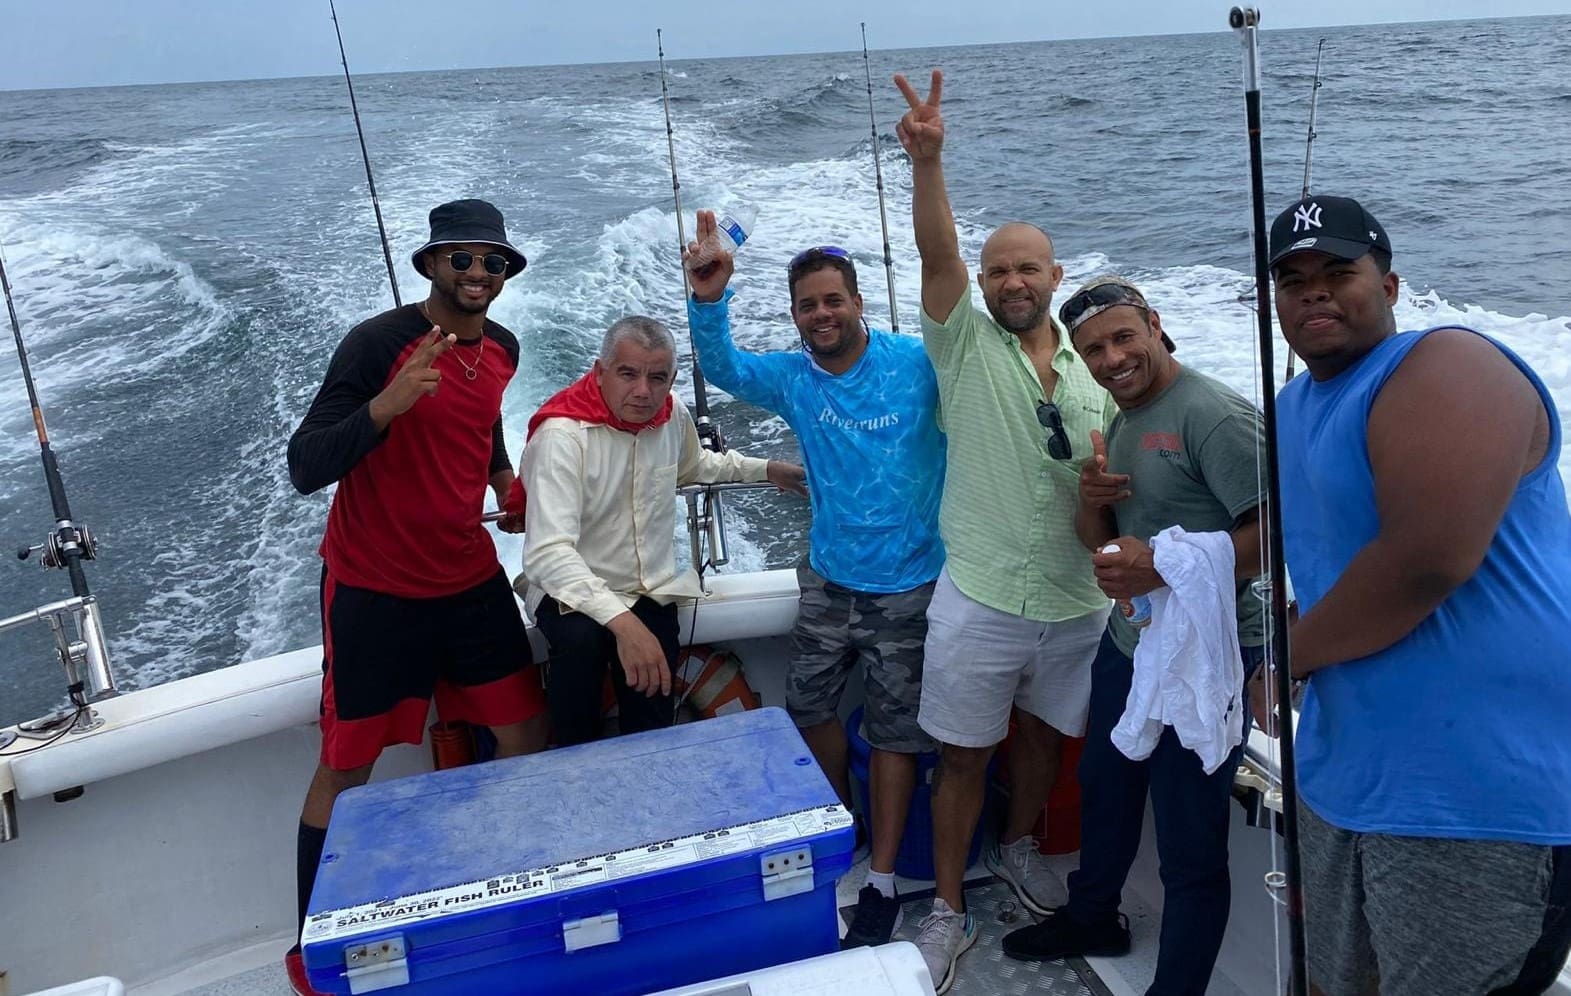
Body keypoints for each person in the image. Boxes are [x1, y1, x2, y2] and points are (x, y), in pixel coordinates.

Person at [1258, 194, 1571, 996]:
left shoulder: (1449, 362)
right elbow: (1331, 559)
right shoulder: (1292, 407)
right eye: (1291, 280)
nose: (1313, 292)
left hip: (1473, 791)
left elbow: (1423, 560)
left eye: (1338, 272)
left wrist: (1285, 656)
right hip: (1344, 772)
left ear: (1391, 287)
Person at [282, 199, 548, 995]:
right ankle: (309, 941)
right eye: (461, 259)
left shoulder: (500, 346)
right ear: (430, 265)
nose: (477, 274)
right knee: (347, 762)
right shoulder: (375, 345)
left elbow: (483, 420)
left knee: (524, 731)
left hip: (467, 577)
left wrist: (503, 479)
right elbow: (305, 464)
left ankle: (507, 894)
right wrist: (385, 406)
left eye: (492, 262)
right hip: (374, 589)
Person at [893, 69, 1115, 993]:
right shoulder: (961, 343)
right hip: (980, 591)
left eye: (1028, 268)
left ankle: (1020, 849)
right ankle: (947, 909)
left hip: (1075, 600)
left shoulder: (1101, 367)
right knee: (961, 755)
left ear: (1055, 279)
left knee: (1040, 741)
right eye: (997, 270)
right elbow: (935, 252)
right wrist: (930, 161)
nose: (1010, 281)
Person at [683, 209, 947, 947]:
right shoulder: (793, 377)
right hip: (828, 579)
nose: (822, 314)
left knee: (898, 736)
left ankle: (886, 879)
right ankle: (844, 829)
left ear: (858, 302)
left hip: (911, 583)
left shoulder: (916, 364)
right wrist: (708, 299)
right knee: (808, 709)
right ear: (795, 316)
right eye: (808, 305)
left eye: (834, 299)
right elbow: (725, 368)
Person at [1000, 276, 1266, 996]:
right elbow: (1109, 544)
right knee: (1104, 788)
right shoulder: (1122, 418)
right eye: (1093, 349)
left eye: (1123, 337)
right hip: (1132, 647)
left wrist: (1166, 568)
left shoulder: (1212, 415)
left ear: (1154, 324)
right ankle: (1092, 916)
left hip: (1208, 657)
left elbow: (1273, 534)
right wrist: (1092, 504)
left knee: (1188, 845)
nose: (1112, 358)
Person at [517, 315, 806, 747]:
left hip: (646, 589)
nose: (643, 392)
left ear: (671, 380)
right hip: (570, 593)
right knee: (581, 649)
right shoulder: (562, 437)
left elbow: (697, 466)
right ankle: (573, 768)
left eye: (658, 378)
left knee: (652, 720)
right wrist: (626, 627)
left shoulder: (672, 416)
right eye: (628, 374)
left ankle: (651, 771)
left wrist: (767, 470)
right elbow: (549, 555)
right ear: (600, 373)